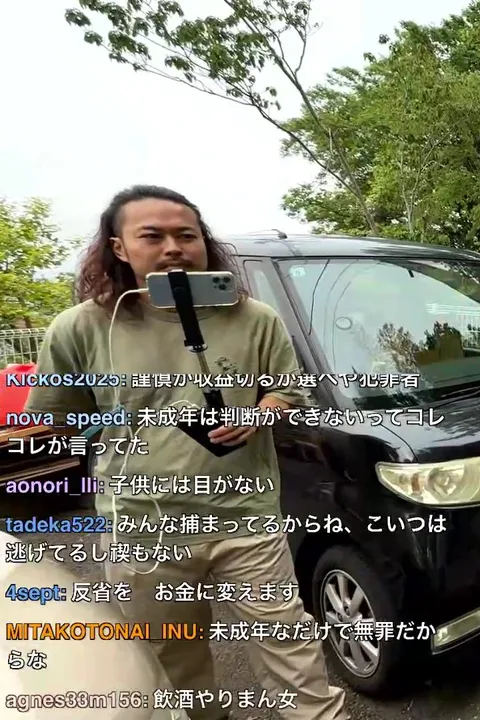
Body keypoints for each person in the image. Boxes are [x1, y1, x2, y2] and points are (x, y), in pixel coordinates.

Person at [24, 185, 349, 720]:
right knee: (174, 660)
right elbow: (56, 417)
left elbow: (288, 390)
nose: (173, 247)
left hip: (245, 519)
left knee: (290, 647)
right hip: (142, 529)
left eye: (186, 235)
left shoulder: (254, 318)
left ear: (205, 243)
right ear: (119, 248)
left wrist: (259, 413)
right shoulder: (81, 327)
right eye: (153, 236)